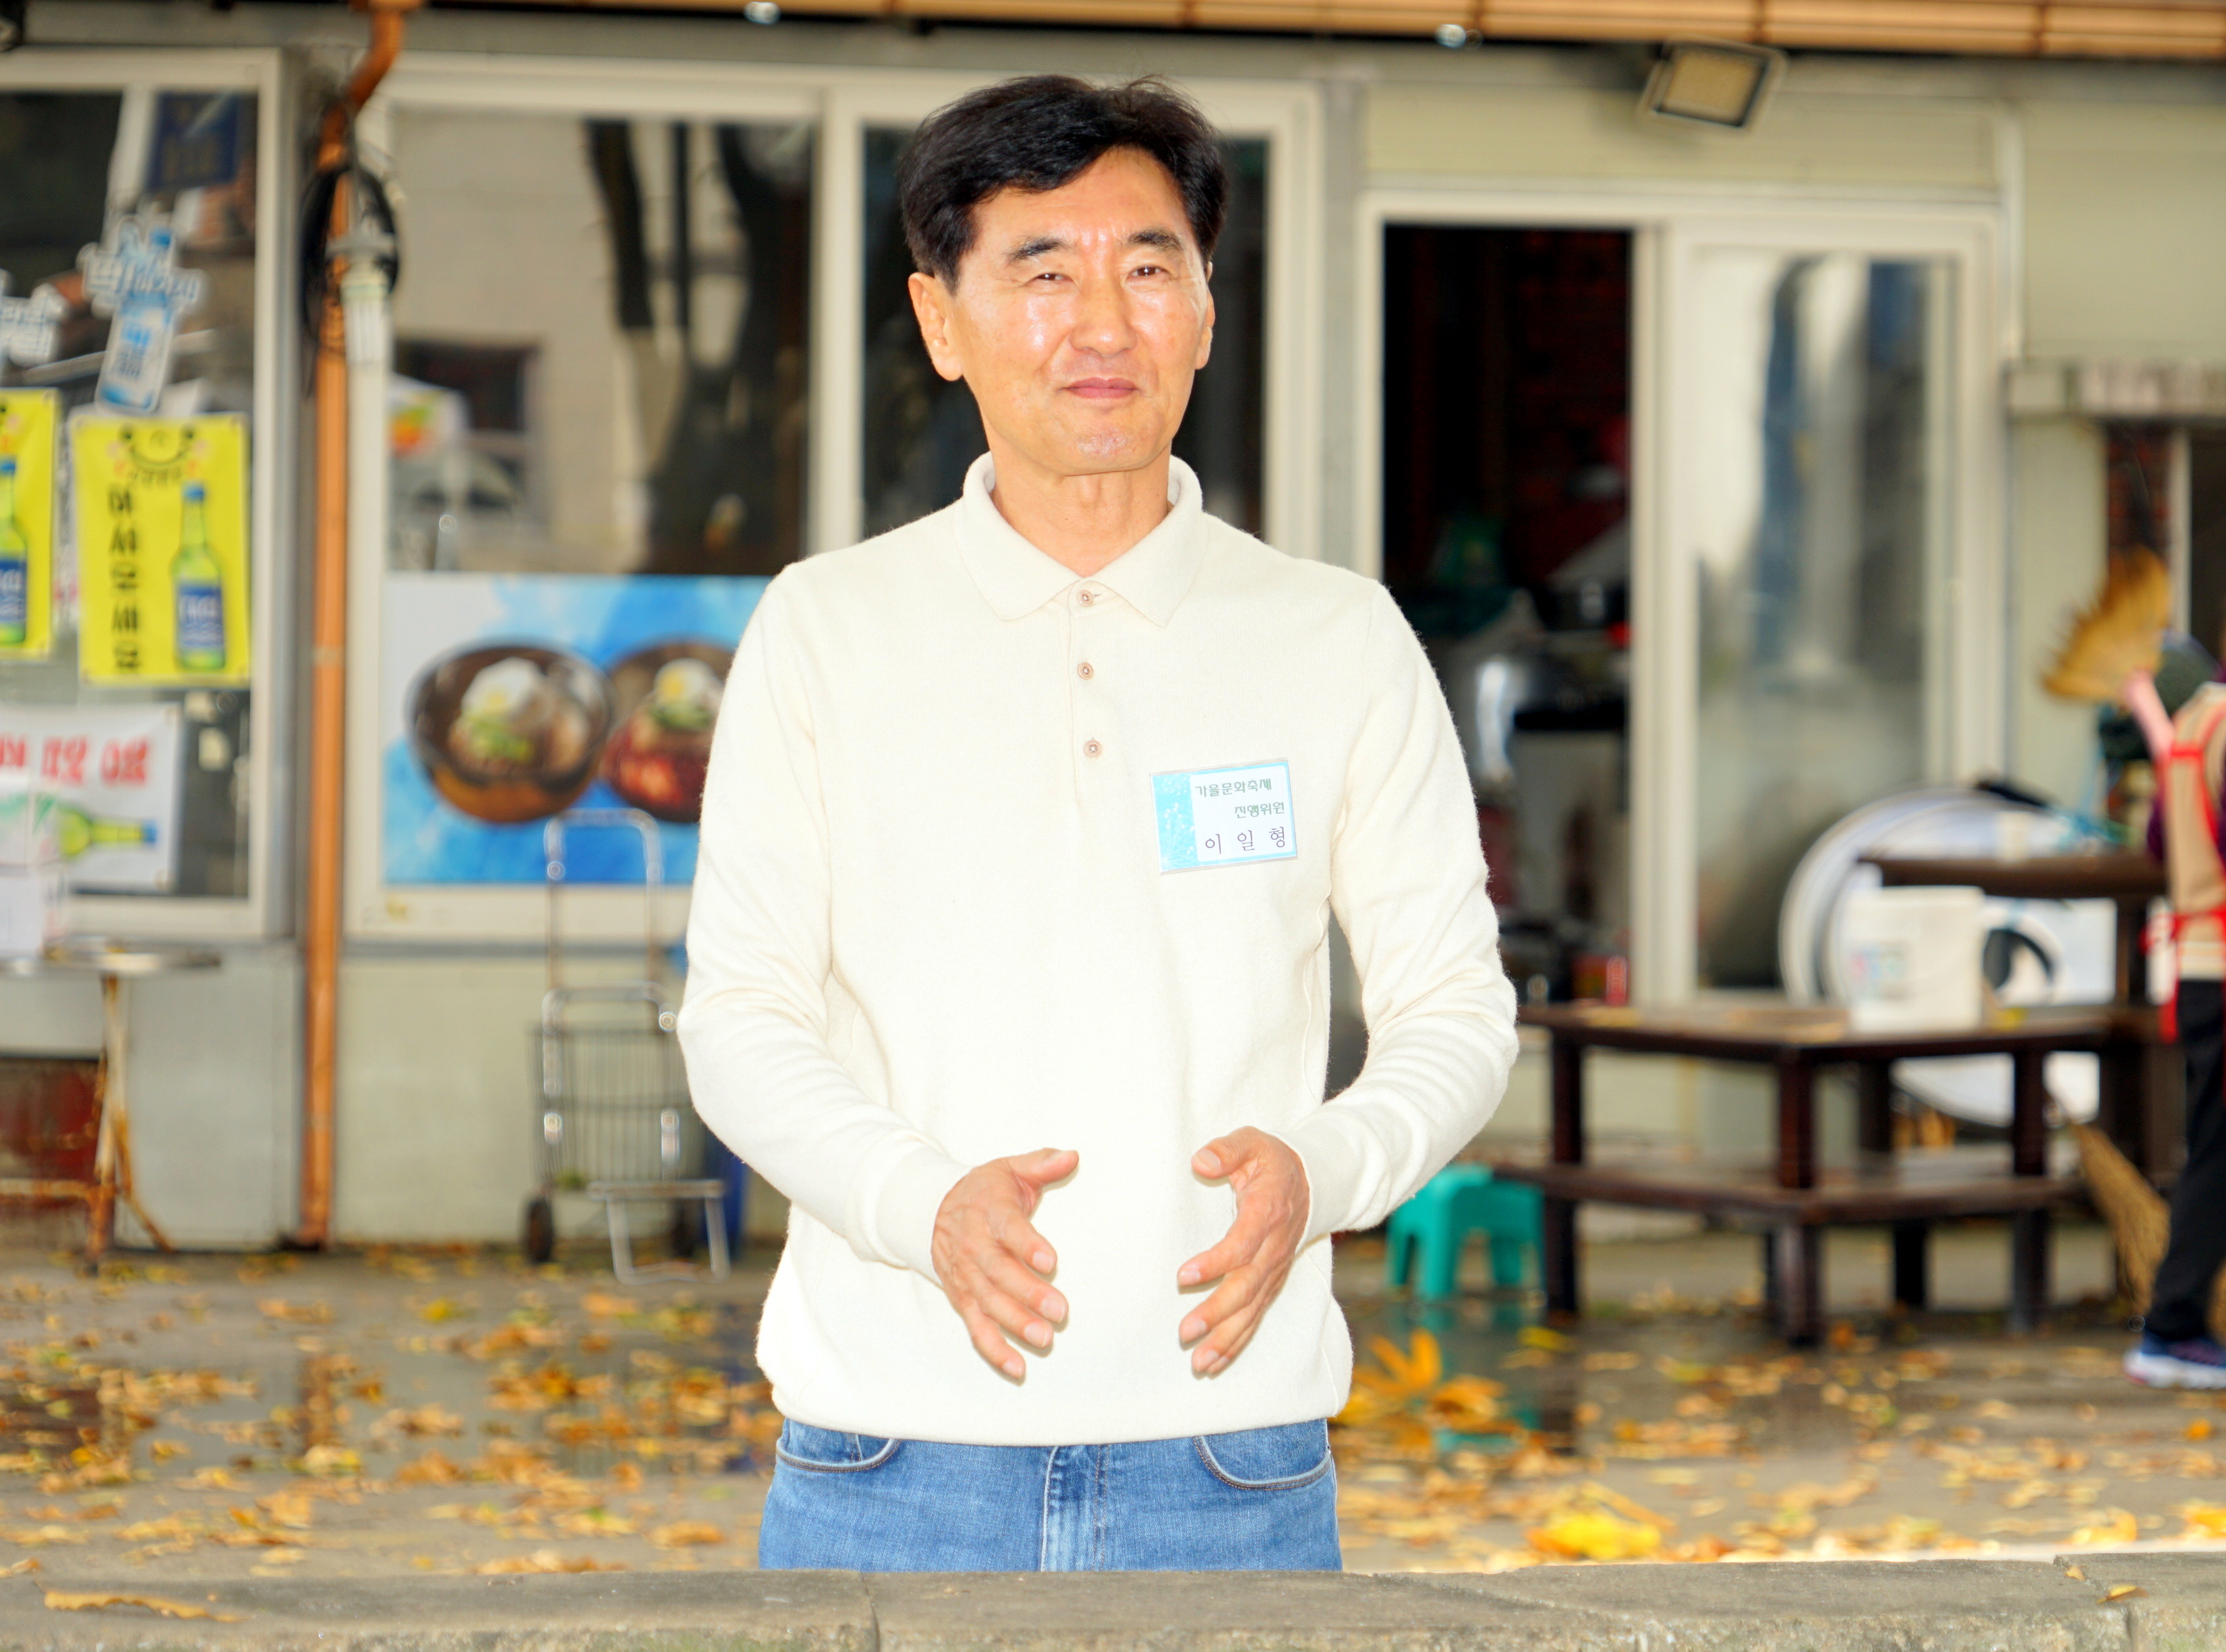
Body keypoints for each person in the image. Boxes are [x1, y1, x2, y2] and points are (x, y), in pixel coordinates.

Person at [678, 74, 1517, 1571]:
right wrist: (918, 1202)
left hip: (1232, 1463)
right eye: (1041, 272)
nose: (1102, 323)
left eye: (1146, 267)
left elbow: (1454, 1006)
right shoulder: (826, 629)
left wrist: (1326, 1169)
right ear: (940, 321)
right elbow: (739, 1017)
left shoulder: (1332, 636)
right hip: (887, 1455)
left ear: (1204, 310)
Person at [2123, 655, 2226, 1388]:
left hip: (2199, 960)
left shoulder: (2195, 722)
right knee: (2218, 1153)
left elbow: (2160, 840)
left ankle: (2174, 1323)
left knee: (2215, 1148)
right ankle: (2173, 1324)